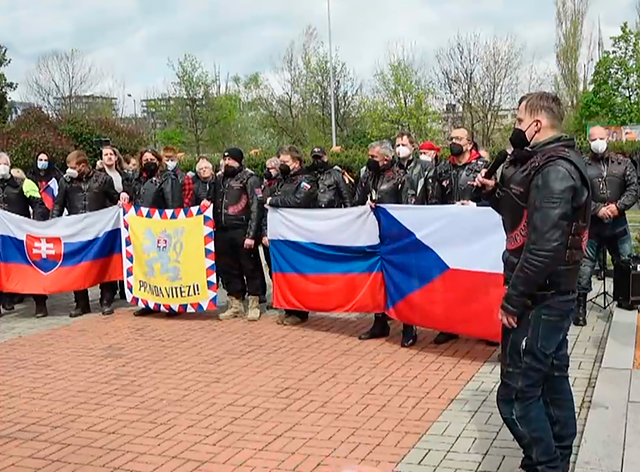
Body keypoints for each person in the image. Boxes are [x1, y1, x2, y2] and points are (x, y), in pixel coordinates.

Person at [475, 92, 590, 472]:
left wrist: (513, 300)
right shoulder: (543, 164)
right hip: (546, 294)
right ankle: (555, 457)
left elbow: (543, 248)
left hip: (542, 297)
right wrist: (494, 194)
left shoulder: (555, 170)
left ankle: (547, 463)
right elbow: (527, 218)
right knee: (553, 380)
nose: (515, 126)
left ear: (536, 125)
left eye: (518, 118)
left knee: (516, 394)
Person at [354, 140, 418, 348]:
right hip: (372, 235)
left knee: (401, 282)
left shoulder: (401, 177)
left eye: (373, 157)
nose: (369, 160)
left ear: (386, 158)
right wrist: (364, 204)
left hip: (396, 237)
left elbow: (408, 207)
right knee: (376, 281)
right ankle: (379, 322)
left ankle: (409, 326)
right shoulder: (367, 175)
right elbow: (357, 200)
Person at [429, 128, 488, 346]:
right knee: (448, 280)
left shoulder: (482, 167)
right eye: (451, 139)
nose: (453, 142)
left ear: (470, 143)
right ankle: (449, 326)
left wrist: (477, 206)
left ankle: (484, 326)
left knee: (479, 281)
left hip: (477, 235)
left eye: (458, 139)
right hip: (449, 234)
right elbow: (433, 198)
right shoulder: (442, 168)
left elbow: (495, 198)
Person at [575, 125, 639, 324]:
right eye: (593, 139)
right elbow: (578, 192)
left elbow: (633, 188)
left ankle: (625, 299)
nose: (598, 143)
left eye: (600, 138)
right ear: (588, 141)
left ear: (607, 138)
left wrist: (618, 207)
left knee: (625, 262)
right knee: (585, 268)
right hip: (592, 226)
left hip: (618, 224)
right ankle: (580, 308)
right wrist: (596, 209)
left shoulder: (623, 163)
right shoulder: (582, 166)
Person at [53, 151, 125, 317]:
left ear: (83, 166)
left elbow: (114, 198)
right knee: (77, 267)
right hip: (76, 230)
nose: (70, 170)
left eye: (73, 167)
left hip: (100, 230)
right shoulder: (66, 181)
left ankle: (105, 300)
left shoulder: (103, 179)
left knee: (104, 264)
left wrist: (121, 201)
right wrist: (53, 224)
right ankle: (81, 303)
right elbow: (59, 204)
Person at [265, 146, 318, 326]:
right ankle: (289, 308)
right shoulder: (281, 180)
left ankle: (300, 312)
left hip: (299, 234)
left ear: (296, 163)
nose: (282, 166)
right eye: (280, 162)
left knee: (298, 273)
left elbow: (298, 200)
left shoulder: (307, 179)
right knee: (283, 273)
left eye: (285, 162)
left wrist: (274, 202)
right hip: (282, 234)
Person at [214, 148, 265, 322]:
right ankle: (235, 303)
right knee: (228, 268)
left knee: (250, 267)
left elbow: (256, 207)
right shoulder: (219, 179)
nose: (227, 163)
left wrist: (252, 234)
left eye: (231, 160)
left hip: (242, 229)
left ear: (239, 161)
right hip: (222, 230)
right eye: (225, 159)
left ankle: (254, 303)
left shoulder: (250, 179)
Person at [0, 152, 50, 318]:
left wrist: (35, 224)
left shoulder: (24, 183)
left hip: (20, 235)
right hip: (1, 237)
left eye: (4, 163)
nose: (2, 166)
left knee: (30, 269)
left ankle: (40, 303)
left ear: (9, 164)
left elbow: (39, 205)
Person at [100, 146, 128, 300]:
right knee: (109, 254)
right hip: (107, 220)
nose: (109, 157)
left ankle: (125, 287)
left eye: (112, 154)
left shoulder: (123, 175)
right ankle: (109, 290)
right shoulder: (99, 176)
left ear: (116, 158)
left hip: (122, 219)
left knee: (123, 251)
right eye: (106, 154)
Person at [395, 131, 433, 205]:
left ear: (412, 147)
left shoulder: (425, 167)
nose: (400, 148)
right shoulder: (392, 169)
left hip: (418, 212)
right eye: (398, 145)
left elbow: (432, 196)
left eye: (403, 145)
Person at [26, 152, 64, 218]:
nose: (43, 162)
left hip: (52, 215)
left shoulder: (56, 178)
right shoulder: (30, 178)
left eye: (45, 160)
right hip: (35, 216)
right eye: (40, 160)